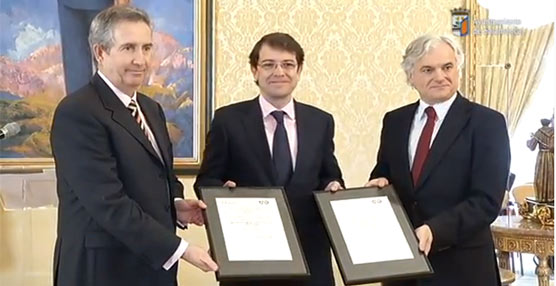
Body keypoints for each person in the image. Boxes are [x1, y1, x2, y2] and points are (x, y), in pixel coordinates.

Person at [50, 6, 217, 286]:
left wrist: (174, 203)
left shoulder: (150, 109)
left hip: (150, 270)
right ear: (100, 52)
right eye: (128, 48)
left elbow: (161, 176)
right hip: (102, 271)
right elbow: (108, 202)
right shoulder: (77, 112)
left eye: (147, 48)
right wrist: (182, 250)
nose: (141, 60)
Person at [194, 32, 344, 286]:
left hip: (310, 259)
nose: (279, 72)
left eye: (287, 64)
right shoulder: (228, 120)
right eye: (269, 64)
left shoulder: (321, 121)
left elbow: (329, 174)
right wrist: (221, 193)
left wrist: (334, 186)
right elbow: (206, 180)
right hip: (250, 259)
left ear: (299, 70)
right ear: (255, 70)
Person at [366, 35, 510, 286]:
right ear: (411, 77)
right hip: (403, 267)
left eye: (447, 67)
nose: (440, 76)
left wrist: (435, 230)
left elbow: (487, 200)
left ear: (458, 69)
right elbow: (385, 171)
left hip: (462, 268)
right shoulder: (395, 121)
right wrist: (378, 183)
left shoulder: (487, 123)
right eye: (427, 69)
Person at [527, 118, 554, 202]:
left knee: (540, 175)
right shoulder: (554, 132)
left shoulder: (539, 132)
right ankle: (551, 197)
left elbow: (532, 146)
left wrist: (528, 141)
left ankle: (541, 197)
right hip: (552, 157)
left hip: (542, 157)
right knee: (551, 176)